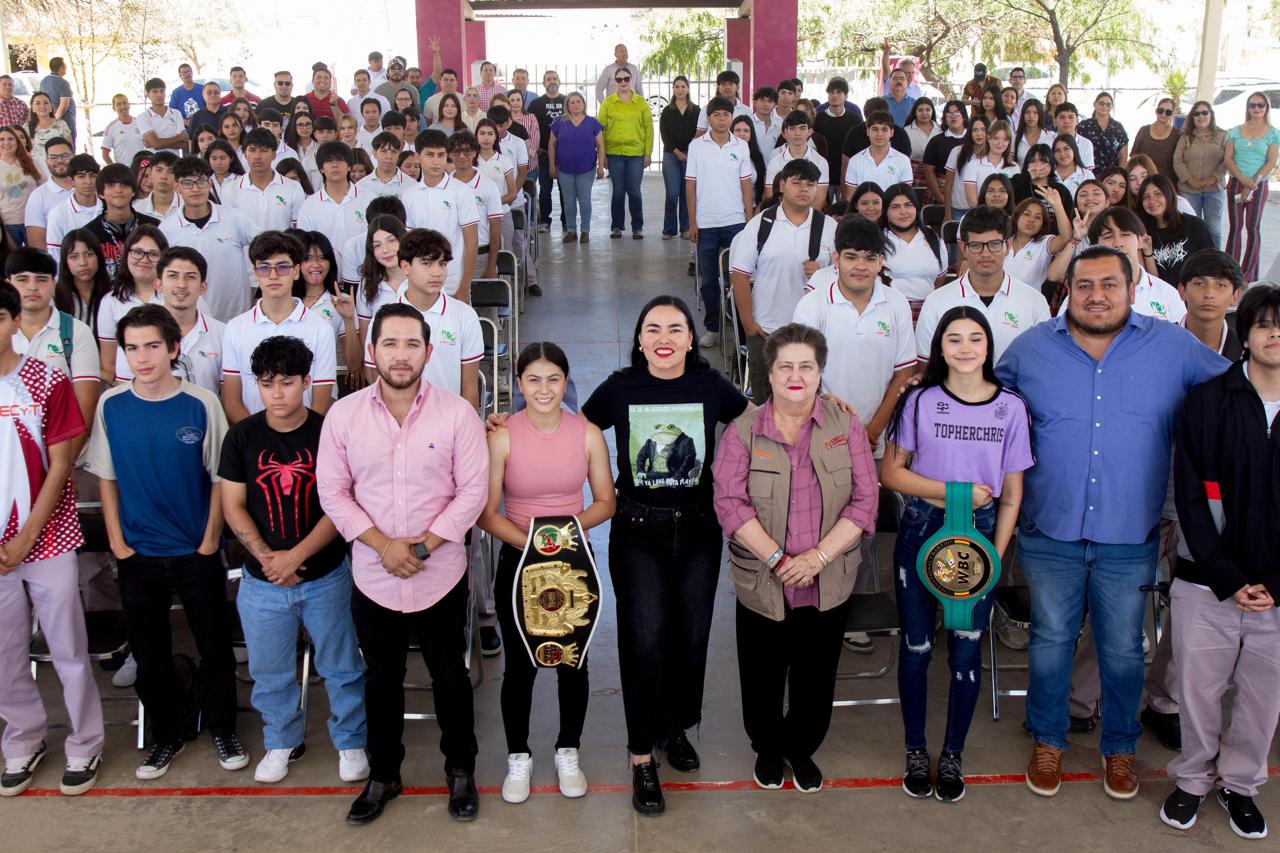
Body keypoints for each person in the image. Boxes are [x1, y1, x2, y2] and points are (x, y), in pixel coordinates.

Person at [996, 244, 1228, 802]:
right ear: (1067, 291)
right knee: (1051, 640)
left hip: (1133, 534)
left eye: (1109, 284)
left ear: (1133, 287)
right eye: (1084, 285)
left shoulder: (1174, 346)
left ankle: (1119, 748)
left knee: (1123, 647)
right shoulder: (1028, 351)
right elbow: (984, 411)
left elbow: (1234, 396)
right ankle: (1048, 737)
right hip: (1049, 530)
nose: (1096, 296)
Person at [317, 302, 488, 825]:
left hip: (439, 573)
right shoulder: (343, 417)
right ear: (372, 352)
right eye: (389, 343)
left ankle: (460, 771)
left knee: (450, 677)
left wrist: (419, 548)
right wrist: (382, 545)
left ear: (428, 352)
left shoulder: (457, 413)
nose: (400, 354)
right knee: (380, 678)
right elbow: (334, 492)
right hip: (374, 575)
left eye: (412, 344)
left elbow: (473, 492)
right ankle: (383, 774)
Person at [579, 295, 749, 814]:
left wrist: (825, 407)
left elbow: (758, 422)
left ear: (691, 339)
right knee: (645, 640)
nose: (664, 339)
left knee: (691, 636)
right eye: (653, 329)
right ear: (639, 339)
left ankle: (675, 727)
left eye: (675, 329)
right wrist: (509, 428)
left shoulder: (711, 386)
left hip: (699, 530)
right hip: (638, 532)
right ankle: (640, 757)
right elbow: (573, 431)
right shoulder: (621, 388)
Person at [713, 322, 877, 794]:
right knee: (762, 674)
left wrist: (818, 558)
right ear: (770, 372)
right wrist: (780, 559)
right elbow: (729, 503)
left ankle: (800, 748)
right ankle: (767, 746)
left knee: (815, 674)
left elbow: (865, 501)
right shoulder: (743, 432)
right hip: (765, 579)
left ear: (821, 372)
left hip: (827, 578)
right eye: (786, 366)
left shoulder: (845, 427)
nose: (796, 375)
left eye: (806, 366)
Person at [84, 303, 246, 779]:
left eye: (152, 345)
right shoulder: (111, 405)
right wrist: (116, 540)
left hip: (195, 550)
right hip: (138, 553)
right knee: (149, 654)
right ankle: (166, 734)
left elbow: (221, 476)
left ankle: (222, 727)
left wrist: (210, 537)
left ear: (174, 348)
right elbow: (107, 478)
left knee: (214, 647)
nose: (142, 357)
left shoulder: (201, 402)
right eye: (132, 348)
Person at [881, 305, 1032, 802]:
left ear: (989, 347)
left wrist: (995, 555)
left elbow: (1012, 493)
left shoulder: (1011, 407)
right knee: (917, 647)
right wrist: (954, 490)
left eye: (975, 339)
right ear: (939, 347)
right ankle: (915, 749)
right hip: (923, 531)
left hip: (979, 541)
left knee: (966, 651)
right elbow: (893, 474)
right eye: (953, 339)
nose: (965, 348)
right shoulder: (920, 401)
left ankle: (952, 754)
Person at [217, 333, 368, 786]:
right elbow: (233, 505)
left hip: (326, 576)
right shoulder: (242, 436)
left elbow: (341, 503)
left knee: (341, 665)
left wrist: (295, 557)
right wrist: (266, 558)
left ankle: (351, 741)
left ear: (306, 381)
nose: (276, 393)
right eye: (266, 384)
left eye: (286, 382)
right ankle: (281, 740)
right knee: (269, 670)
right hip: (263, 582)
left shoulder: (329, 432)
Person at [1159, 283, 1280, 839]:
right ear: (1247, 333)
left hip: (1276, 595)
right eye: (1264, 324)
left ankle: (1240, 784)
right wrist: (1228, 578)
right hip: (1207, 584)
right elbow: (1189, 498)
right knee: (1197, 694)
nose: (1274, 334)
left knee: (1261, 702)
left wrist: (1273, 584)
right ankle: (1191, 780)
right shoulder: (1208, 401)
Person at [477, 342, 615, 804]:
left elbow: (605, 502)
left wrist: (563, 537)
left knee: (572, 663)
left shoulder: (588, 433)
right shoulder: (503, 435)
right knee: (519, 669)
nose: (543, 389)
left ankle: (567, 749)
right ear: (519, 384)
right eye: (533, 379)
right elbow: (487, 512)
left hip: (575, 562)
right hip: (520, 561)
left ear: (566, 382)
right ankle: (519, 756)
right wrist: (532, 543)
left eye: (553, 379)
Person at [0, 275, 104, 798]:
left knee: (68, 648)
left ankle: (86, 741)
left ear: (16, 322)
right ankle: (23, 737)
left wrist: (25, 537)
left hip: (48, 538)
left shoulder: (45, 380)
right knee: (5, 651)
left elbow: (62, 464)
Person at [792, 213, 915, 455]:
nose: (860, 266)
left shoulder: (897, 303)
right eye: (851, 257)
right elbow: (800, 374)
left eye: (869, 258)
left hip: (878, 441)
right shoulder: (812, 305)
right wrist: (833, 428)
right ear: (836, 259)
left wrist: (871, 432)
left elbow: (903, 374)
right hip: (822, 436)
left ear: (880, 262)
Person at [730, 159, 836, 402]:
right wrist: (749, 323)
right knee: (764, 401)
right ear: (782, 185)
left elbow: (841, 276)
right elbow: (740, 274)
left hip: (813, 332)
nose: (804, 189)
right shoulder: (760, 224)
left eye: (810, 184)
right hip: (766, 328)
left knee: (809, 401)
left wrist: (822, 271)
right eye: (797, 182)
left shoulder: (829, 227)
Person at [358, 228, 482, 408]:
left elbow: (470, 387)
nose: (437, 272)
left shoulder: (465, 316)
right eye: (427, 263)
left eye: (442, 264)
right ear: (405, 267)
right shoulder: (384, 318)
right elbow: (374, 380)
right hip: (398, 424)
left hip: (448, 424)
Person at [222, 231, 336, 422]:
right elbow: (232, 401)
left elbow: (321, 401)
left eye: (282, 267)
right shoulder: (235, 328)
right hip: (252, 440)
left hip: (304, 440)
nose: (273, 275)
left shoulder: (321, 329)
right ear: (255, 272)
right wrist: (258, 437)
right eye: (264, 268)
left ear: (296, 271)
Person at [916, 206, 1050, 363]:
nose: (985, 254)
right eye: (976, 245)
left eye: (994, 244)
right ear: (963, 248)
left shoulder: (1035, 302)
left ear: (1008, 245)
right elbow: (924, 365)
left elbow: (1042, 363)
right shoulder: (936, 302)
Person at [687, 97, 755, 347]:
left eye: (726, 114)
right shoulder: (697, 146)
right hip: (706, 223)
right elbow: (690, 186)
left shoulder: (741, 146)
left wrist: (748, 219)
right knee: (708, 280)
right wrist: (692, 222)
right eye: (716, 115)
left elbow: (746, 184)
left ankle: (739, 326)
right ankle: (713, 327)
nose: (721, 119)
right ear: (709, 118)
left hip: (735, 221)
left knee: (737, 278)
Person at [114, 247, 224, 393]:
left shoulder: (223, 333)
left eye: (190, 277)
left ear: (203, 287)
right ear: (158, 284)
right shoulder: (135, 332)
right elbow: (124, 389)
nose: (181, 285)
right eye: (173, 276)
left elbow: (228, 395)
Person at [161, 156, 255, 322]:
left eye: (201, 181)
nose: (195, 189)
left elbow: (264, 247)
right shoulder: (167, 229)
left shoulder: (234, 218)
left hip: (237, 316)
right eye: (188, 183)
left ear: (209, 183)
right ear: (177, 187)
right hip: (191, 320)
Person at [402, 130, 479, 302]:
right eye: (429, 155)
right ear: (418, 156)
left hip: (453, 282)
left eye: (441, 155)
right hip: (419, 284)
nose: (436, 161)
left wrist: (464, 287)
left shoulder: (461, 192)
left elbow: (472, 241)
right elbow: (409, 243)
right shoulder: (409, 194)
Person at [95, 226, 168, 383]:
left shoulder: (175, 296)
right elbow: (108, 364)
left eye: (153, 254)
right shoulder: (111, 301)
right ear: (127, 254)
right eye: (137, 252)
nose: (144, 260)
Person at [1224, 92, 1279, 282]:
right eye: (1252, 105)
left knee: (1252, 227)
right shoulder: (1235, 131)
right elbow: (1228, 158)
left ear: (1266, 108)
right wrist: (1242, 180)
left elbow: (1271, 161)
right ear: (1247, 107)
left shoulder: (1273, 134)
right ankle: (1229, 269)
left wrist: (1253, 183)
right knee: (1235, 227)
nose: (1256, 108)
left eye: (1260, 105)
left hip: (1259, 184)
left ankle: (1247, 274)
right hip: (1236, 182)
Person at [598, 69, 654, 239]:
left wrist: (647, 153)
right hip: (614, 153)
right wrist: (603, 156)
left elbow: (648, 128)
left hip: (636, 153)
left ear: (631, 80)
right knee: (618, 191)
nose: (623, 82)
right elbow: (600, 130)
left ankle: (637, 227)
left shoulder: (641, 103)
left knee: (634, 191)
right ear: (615, 81)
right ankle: (616, 226)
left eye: (626, 78)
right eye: (619, 79)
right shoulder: (608, 103)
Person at [220, 129, 307, 234]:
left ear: (274, 154)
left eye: (264, 150)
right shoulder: (230, 190)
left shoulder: (293, 188)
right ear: (244, 154)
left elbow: (298, 231)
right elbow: (229, 231)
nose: (257, 156)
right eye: (252, 150)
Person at [879, 183, 947, 318]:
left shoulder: (932, 238)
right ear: (886, 211)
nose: (903, 212)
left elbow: (940, 277)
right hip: (887, 311)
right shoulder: (877, 239)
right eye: (895, 207)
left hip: (928, 311)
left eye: (908, 205)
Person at [82, 163, 159, 279]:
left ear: (133, 191)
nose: (118, 190)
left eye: (124, 185)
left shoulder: (154, 226)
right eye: (111, 185)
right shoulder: (88, 233)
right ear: (101, 193)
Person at [549, 93, 605, 244]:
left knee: (585, 200)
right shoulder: (559, 122)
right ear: (567, 105)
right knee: (568, 201)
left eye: (578, 101)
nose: (575, 104)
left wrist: (601, 167)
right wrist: (551, 166)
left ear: (584, 104)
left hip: (586, 168)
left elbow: (600, 145)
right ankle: (571, 231)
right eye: (572, 102)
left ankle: (585, 231)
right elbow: (551, 145)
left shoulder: (592, 122)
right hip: (564, 169)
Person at [1137, 174, 1215, 284]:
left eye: (1158, 194)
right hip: (1164, 297)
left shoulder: (1194, 225)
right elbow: (1152, 280)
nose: (1152, 201)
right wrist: (1148, 252)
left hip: (1193, 294)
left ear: (1170, 195)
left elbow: (1212, 264)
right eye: (1146, 197)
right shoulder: (1144, 233)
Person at [296, 142, 371, 255]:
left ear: (349, 166)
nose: (335, 165)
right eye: (329, 161)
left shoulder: (369, 199)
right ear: (321, 168)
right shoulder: (309, 205)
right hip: (325, 270)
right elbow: (304, 244)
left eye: (340, 160)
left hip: (362, 269)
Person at [1173, 101, 1228, 249]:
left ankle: (1216, 264)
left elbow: (1227, 160)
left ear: (1211, 115)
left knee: (1214, 230)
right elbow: (1177, 160)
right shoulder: (1185, 137)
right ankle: (1194, 262)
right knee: (1191, 229)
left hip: (1214, 190)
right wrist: (1190, 180)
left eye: (1205, 112)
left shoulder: (1223, 136)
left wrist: (1214, 177)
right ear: (1192, 117)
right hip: (1189, 191)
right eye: (1197, 113)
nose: (1201, 116)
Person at [660, 77, 699, 239]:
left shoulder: (696, 110)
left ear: (688, 89)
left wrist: (690, 153)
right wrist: (678, 153)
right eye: (677, 86)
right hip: (671, 155)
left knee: (686, 193)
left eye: (683, 86)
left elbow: (699, 132)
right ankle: (668, 229)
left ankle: (685, 228)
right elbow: (665, 135)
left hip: (690, 155)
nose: (680, 89)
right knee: (672, 193)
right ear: (673, 89)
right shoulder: (668, 111)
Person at [44, 155, 102, 266]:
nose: (88, 181)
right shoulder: (58, 214)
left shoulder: (108, 207)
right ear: (71, 180)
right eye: (81, 176)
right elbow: (55, 255)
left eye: (93, 176)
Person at [764, 111, 828, 210]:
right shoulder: (775, 162)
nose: (797, 133)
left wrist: (804, 219)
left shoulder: (820, 162)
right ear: (785, 132)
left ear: (810, 131)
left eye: (802, 128)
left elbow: (820, 197)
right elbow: (771, 196)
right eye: (792, 128)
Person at [843, 111, 913, 200]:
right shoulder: (855, 161)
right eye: (875, 129)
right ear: (868, 131)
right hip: (863, 213)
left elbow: (905, 197)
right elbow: (851, 198)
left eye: (884, 129)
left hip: (892, 212)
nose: (879, 134)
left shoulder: (903, 160)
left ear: (891, 132)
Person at [813, 78, 860, 197]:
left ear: (846, 96)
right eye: (831, 92)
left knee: (845, 211)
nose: (834, 95)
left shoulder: (855, 119)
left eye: (838, 92)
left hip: (848, 176)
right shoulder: (817, 119)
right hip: (821, 176)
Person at [0, 128, 42, 248]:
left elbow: (44, 186)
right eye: (1, 139)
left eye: (10, 139)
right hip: (8, 224)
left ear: (17, 142)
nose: (6, 143)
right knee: (12, 262)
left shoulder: (31, 162)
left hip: (33, 221)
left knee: (36, 259)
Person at [943, 116, 988, 221]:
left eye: (983, 129)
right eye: (975, 130)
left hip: (982, 210)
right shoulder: (957, 151)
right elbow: (948, 184)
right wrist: (947, 212)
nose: (979, 134)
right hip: (958, 208)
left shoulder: (991, 155)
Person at [923, 101, 968, 206]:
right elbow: (928, 170)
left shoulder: (972, 138)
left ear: (964, 116)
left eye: (957, 113)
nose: (953, 117)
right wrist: (939, 196)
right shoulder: (936, 141)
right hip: (942, 189)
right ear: (944, 118)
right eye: (949, 114)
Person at [1131, 97, 1182, 187]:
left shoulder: (1177, 134)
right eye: (1161, 110)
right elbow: (1134, 155)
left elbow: (1179, 159)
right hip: (1143, 181)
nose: (1163, 114)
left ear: (1172, 114)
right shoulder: (1144, 130)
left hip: (1166, 182)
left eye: (1168, 112)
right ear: (1156, 111)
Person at [135, 78, 189, 157]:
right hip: (154, 163)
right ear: (148, 94)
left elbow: (183, 144)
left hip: (175, 161)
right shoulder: (142, 117)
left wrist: (156, 143)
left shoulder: (176, 113)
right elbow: (156, 144)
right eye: (155, 91)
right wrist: (179, 137)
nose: (159, 94)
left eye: (162, 91)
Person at [1076, 92, 1128, 172]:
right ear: (1094, 104)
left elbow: (1123, 156)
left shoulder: (1118, 128)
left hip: (1112, 174)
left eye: (1108, 104)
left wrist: (1120, 174)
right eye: (1101, 103)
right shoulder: (1084, 126)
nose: (1104, 106)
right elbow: (1076, 149)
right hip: (1088, 173)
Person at [27, 94, 72, 174]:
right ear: (33, 108)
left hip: (59, 168)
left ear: (51, 106)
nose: (42, 106)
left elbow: (70, 149)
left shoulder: (61, 124)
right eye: (38, 103)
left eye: (46, 103)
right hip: (37, 170)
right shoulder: (27, 127)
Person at [730, 115, 768, 211]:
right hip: (729, 209)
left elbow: (761, 186)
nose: (742, 134)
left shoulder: (757, 157)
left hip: (752, 208)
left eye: (746, 130)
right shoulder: (723, 155)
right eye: (738, 130)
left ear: (751, 134)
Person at [38, 58, 76, 147]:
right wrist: (55, 122)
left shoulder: (43, 81)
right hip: (65, 123)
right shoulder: (63, 83)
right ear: (61, 67)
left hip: (49, 121)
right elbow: (63, 106)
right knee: (68, 149)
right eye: (65, 65)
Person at [101, 94, 145, 169]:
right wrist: (115, 169)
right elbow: (105, 154)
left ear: (129, 105)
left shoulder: (140, 122)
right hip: (124, 172)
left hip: (141, 170)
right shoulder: (111, 128)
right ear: (114, 108)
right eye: (118, 104)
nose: (123, 106)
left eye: (125, 103)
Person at [1053, 103, 1095, 170]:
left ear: (1077, 121)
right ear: (1055, 121)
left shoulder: (1086, 144)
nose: (1066, 121)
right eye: (1062, 117)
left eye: (1070, 117)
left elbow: (1088, 174)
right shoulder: (1045, 141)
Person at [1014, 99, 1055, 165]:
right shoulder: (1015, 137)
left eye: (1035, 112)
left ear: (1040, 115)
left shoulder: (1051, 136)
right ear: (1023, 115)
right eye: (1027, 112)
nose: (1031, 116)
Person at [904, 97, 940, 163]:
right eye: (920, 110)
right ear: (915, 112)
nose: (924, 113)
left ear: (932, 111)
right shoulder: (906, 131)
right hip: (912, 170)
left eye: (928, 110)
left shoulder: (941, 130)